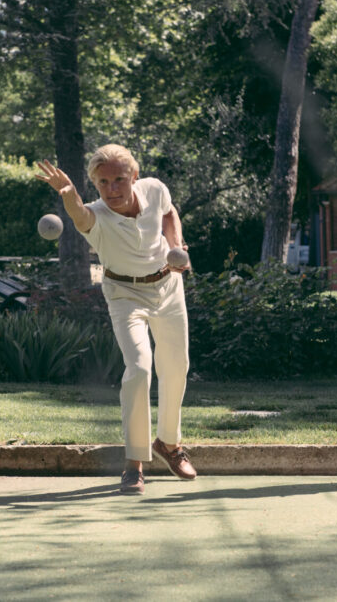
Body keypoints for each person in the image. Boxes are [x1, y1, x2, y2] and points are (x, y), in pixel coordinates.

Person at [36, 144, 197, 495]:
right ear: (95, 185)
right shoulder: (96, 216)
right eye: (104, 182)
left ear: (134, 177)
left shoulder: (154, 189)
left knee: (176, 366)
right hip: (124, 295)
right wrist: (70, 198)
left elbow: (169, 213)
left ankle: (168, 444)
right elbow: (80, 216)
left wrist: (176, 244)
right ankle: (134, 463)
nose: (112, 189)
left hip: (168, 287)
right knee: (139, 368)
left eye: (119, 179)